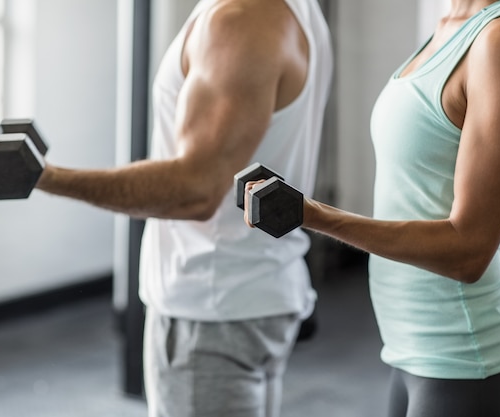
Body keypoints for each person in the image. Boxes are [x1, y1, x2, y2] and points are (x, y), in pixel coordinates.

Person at [35, 0, 333, 416]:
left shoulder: (240, 20)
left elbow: (196, 190)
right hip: (257, 292)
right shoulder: (291, 9)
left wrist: (47, 178)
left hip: (211, 308)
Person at [243, 0, 500, 416]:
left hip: (467, 359)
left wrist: (312, 215)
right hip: (410, 351)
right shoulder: (449, 25)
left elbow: (469, 250)